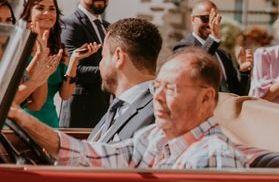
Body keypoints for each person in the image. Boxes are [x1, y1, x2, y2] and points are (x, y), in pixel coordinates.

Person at [8, 48, 248, 170]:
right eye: (157, 87)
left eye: (171, 89)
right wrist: (21, 118)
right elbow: (94, 156)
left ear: (206, 98)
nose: (158, 98)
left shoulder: (214, 155)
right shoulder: (155, 137)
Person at [18, 0, 99, 128]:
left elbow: (66, 95)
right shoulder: (19, 48)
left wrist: (74, 60)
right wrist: (41, 56)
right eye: (40, 8)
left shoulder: (60, 49)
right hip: (21, 123)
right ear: (29, 13)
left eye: (52, 9)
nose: (47, 13)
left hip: (50, 124)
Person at [88, 18, 162, 143]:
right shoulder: (116, 108)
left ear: (118, 56)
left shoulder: (158, 112)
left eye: (103, 56)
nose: (100, 64)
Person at [59, 0, 112, 128]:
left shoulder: (107, 27)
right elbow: (74, 69)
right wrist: (112, 70)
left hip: (104, 113)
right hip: (79, 115)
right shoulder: (70, 24)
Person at [173, 0, 253, 95]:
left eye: (215, 18)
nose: (210, 24)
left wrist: (243, 72)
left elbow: (239, 94)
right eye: (206, 18)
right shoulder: (183, 47)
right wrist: (214, 38)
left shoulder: (224, 54)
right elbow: (197, 66)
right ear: (193, 19)